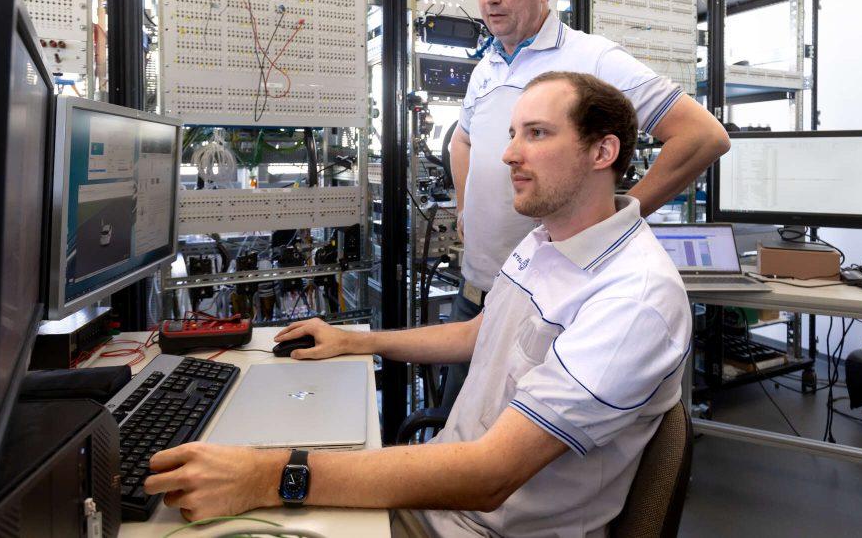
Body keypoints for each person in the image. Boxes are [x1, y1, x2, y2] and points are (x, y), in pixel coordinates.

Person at [144, 72, 693, 538]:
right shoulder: (549, 237)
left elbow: (491, 474)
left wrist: (268, 477)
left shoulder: (634, 299)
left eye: (537, 133)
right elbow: (484, 331)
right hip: (443, 501)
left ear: (603, 151)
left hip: (478, 526)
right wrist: (359, 342)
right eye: (511, 134)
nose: (507, 154)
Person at [441, 0, 728, 408]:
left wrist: (618, 218)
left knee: (512, 466)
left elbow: (703, 135)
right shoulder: (486, 67)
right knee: (457, 431)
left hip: (549, 304)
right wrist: (466, 207)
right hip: (478, 293)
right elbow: (462, 142)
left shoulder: (592, 59)